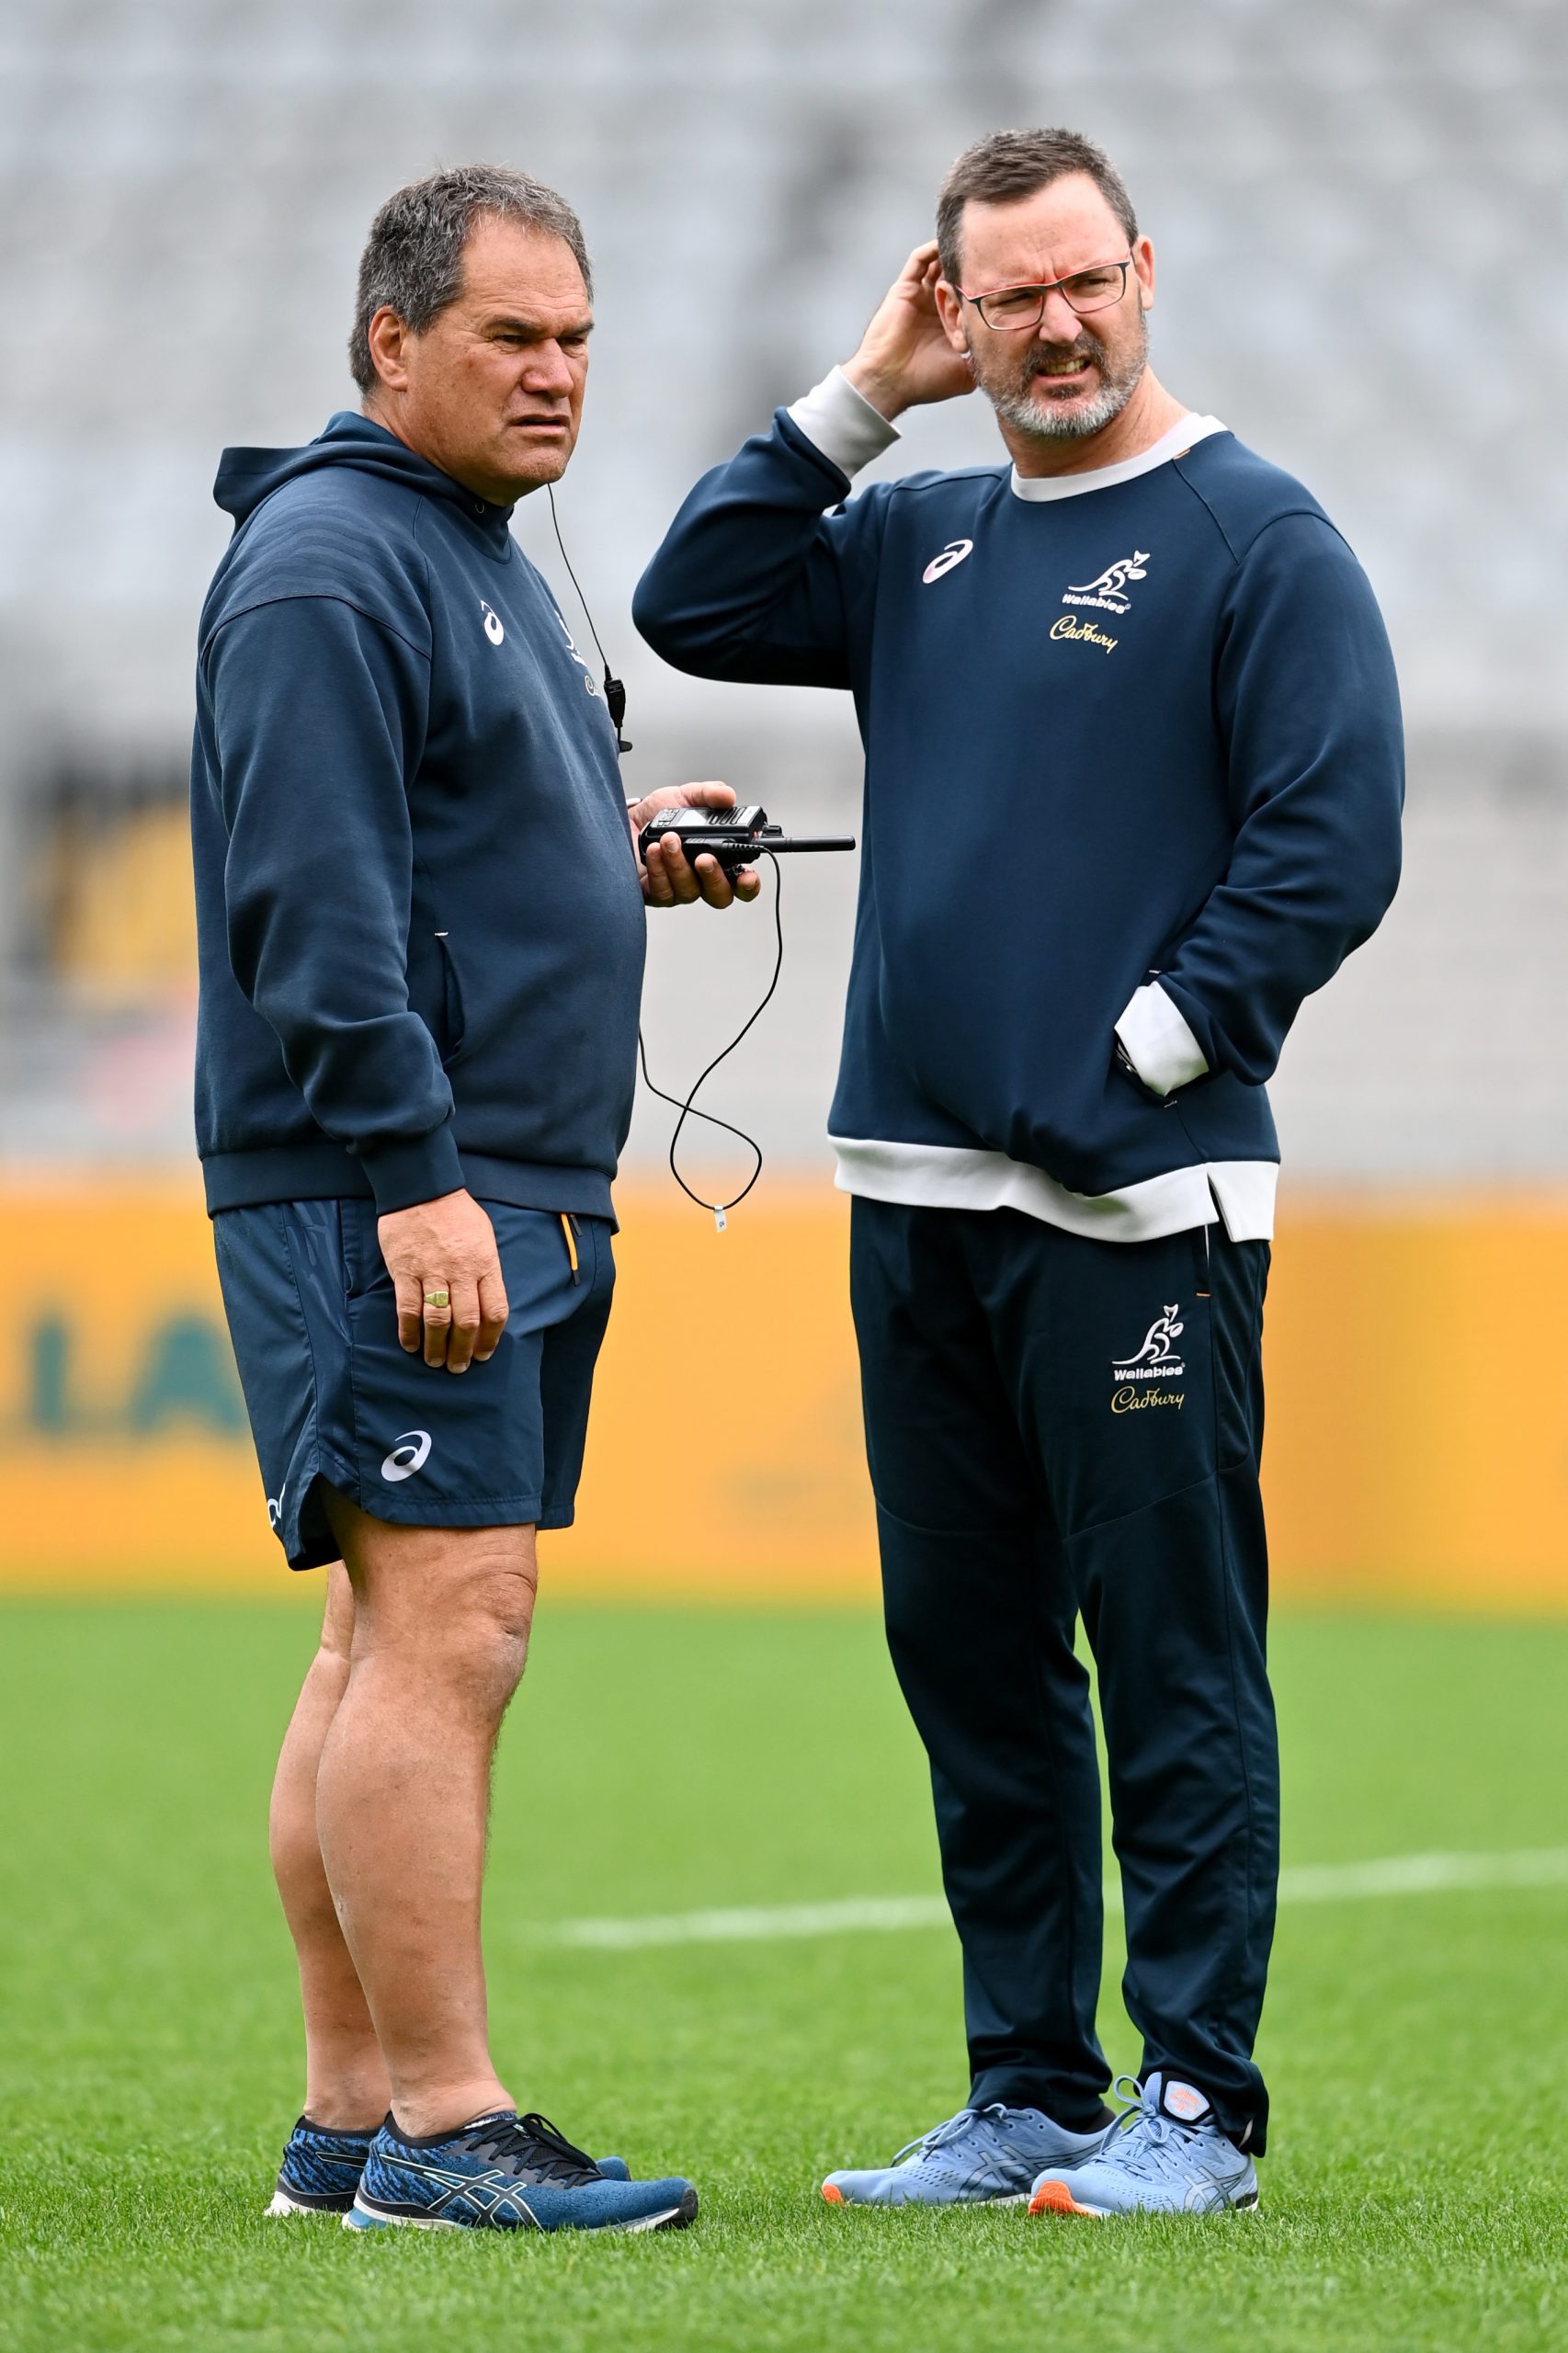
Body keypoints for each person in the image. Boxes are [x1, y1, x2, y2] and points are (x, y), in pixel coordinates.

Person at [634, 126, 1403, 2218]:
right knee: (969, 1658)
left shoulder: (1259, 535)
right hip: (912, 1195)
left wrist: (1144, 1054)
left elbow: (1331, 842)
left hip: (1136, 1210)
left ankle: (1199, 2108)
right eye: (1005, 295)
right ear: (953, 303)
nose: (1053, 325)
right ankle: (1031, 2086)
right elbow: (689, 592)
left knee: (1166, 1652)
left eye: (1084, 282)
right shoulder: (926, 534)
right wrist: (863, 393)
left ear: (1142, 270)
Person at [191, 164, 756, 2235]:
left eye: (578, 337)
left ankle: (353, 2117)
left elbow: (439, 859)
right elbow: (313, 916)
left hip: (489, 1174)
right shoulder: (339, 560)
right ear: (389, 344)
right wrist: (414, 1180)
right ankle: (445, 2123)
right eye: (511, 335)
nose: (555, 373)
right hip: (402, 1189)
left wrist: (619, 847)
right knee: (457, 1621)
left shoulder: (471, 553)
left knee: (381, 1635)